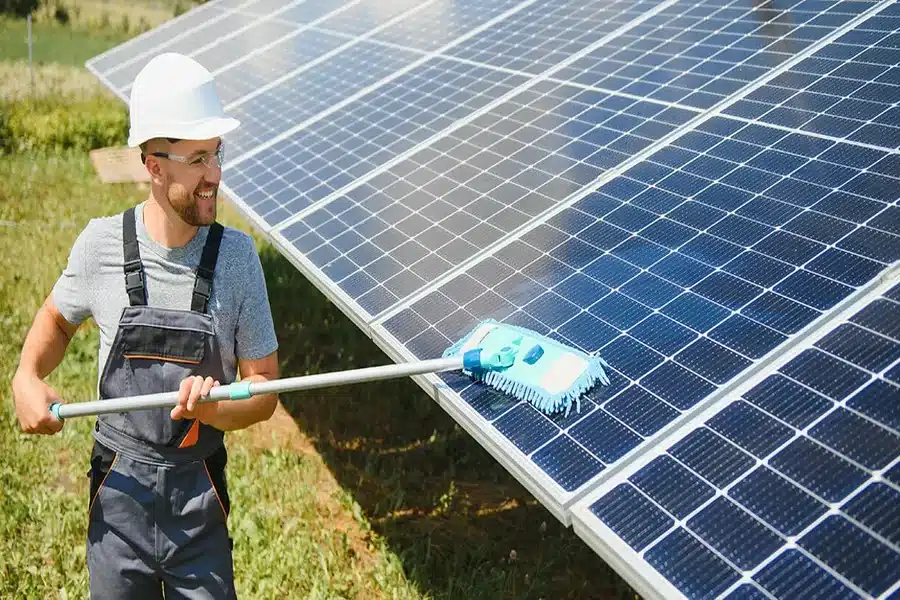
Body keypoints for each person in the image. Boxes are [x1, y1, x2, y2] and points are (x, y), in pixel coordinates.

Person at [11, 52, 280, 599]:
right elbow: (56, 321)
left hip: (199, 502)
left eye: (217, 153)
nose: (215, 174)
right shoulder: (101, 245)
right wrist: (26, 375)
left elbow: (265, 390)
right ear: (154, 166)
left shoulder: (237, 259)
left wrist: (214, 407)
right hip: (119, 498)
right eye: (198, 158)